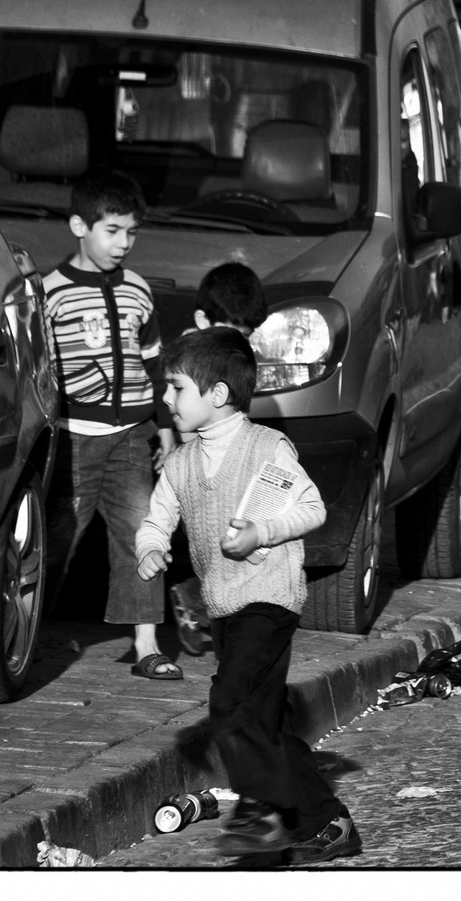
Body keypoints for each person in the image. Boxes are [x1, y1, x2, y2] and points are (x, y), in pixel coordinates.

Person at [135, 328, 362, 864]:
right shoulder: (182, 462)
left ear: (217, 395)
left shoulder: (266, 448)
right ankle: (328, 824)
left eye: (176, 388)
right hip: (223, 604)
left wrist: (261, 533)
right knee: (261, 723)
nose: (166, 399)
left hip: (268, 596)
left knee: (230, 704)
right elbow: (158, 515)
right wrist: (150, 547)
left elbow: (312, 508)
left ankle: (260, 812)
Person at [43, 173, 178, 680]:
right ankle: (20, 633)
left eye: (132, 232)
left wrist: (163, 426)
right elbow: (44, 373)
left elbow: (154, 364)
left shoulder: (138, 290)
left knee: (143, 532)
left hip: (130, 437)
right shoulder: (50, 295)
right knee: (57, 538)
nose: (123, 243)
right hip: (76, 438)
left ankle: (146, 645)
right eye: (113, 230)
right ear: (80, 225)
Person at [169, 262, 272, 657]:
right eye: (234, 333)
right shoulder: (188, 356)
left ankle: (202, 605)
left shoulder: (227, 354)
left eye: (246, 336)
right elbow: (178, 415)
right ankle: (198, 604)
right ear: (201, 321)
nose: (240, 343)